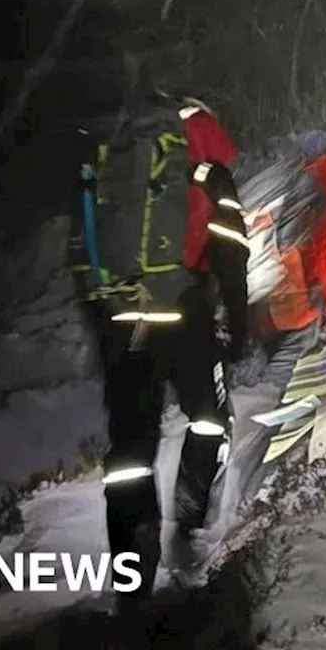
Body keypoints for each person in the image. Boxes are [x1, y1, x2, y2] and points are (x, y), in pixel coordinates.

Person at [70, 92, 250, 613]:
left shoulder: (112, 158)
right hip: (185, 311)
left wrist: (101, 326)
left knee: (128, 453)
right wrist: (236, 327)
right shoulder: (208, 169)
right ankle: (188, 525)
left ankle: (132, 573)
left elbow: (82, 249)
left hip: (122, 317)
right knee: (209, 418)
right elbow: (231, 252)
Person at [203, 131, 326, 543]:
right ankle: (254, 492)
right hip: (298, 318)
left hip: (260, 311)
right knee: (292, 408)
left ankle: (220, 478)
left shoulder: (289, 194)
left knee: (263, 398)